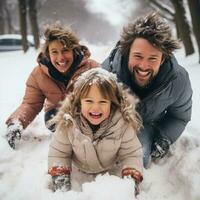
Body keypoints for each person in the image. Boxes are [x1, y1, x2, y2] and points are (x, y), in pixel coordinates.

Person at [102, 12, 193, 168]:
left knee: (139, 156)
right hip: (109, 126)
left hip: (146, 126)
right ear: (127, 53)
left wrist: (164, 137)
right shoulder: (106, 73)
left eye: (152, 58)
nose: (144, 66)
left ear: (163, 58)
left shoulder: (178, 80)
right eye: (138, 56)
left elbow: (179, 117)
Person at [48, 68, 143, 196]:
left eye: (103, 102)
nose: (95, 108)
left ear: (113, 103)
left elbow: (131, 154)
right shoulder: (68, 123)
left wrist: (131, 180)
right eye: (89, 101)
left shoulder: (122, 124)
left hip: (109, 167)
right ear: (79, 102)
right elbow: (59, 152)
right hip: (80, 166)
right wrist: (60, 176)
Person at [5, 23, 98, 149]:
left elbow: (109, 98)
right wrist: (16, 122)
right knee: (56, 122)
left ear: (74, 50)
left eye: (65, 50)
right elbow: (30, 104)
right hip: (56, 113)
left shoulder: (92, 68)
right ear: (48, 53)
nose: (61, 58)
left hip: (87, 113)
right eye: (54, 52)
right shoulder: (38, 74)